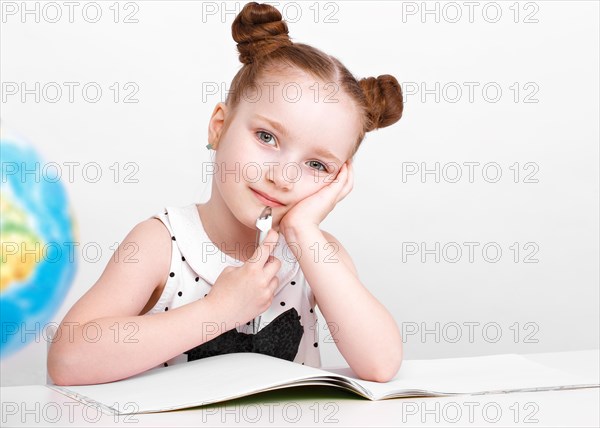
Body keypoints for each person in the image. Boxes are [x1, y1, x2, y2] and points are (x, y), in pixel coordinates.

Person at [48, 2, 404, 386]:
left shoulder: (317, 254)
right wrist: (218, 311)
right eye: (267, 138)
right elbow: (69, 361)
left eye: (318, 165)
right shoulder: (161, 244)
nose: (283, 177)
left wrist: (302, 231)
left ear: (339, 180)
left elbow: (380, 364)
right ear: (219, 127)